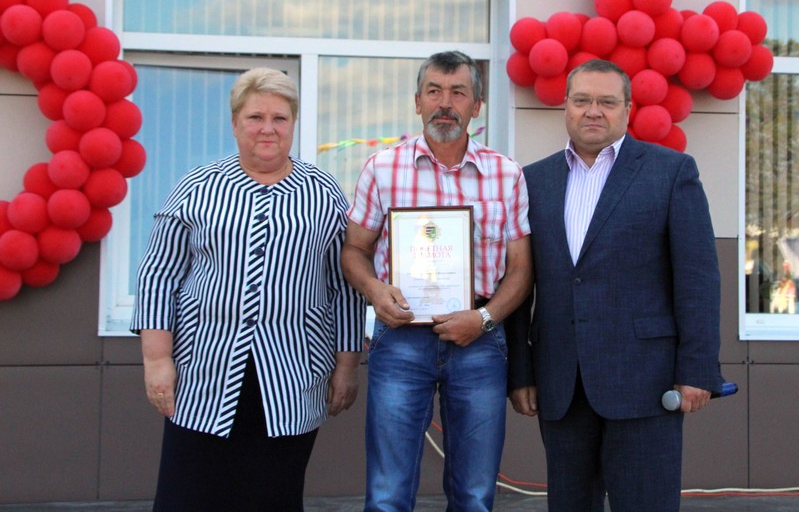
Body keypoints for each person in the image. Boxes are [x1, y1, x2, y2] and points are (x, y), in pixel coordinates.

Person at [131, 68, 365, 511]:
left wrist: (347, 365)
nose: (267, 128)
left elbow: (346, 284)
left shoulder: (325, 193)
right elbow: (159, 274)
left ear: (293, 124)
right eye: (256, 117)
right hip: (203, 375)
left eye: (280, 118)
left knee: (272, 497)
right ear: (235, 123)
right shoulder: (196, 187)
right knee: (187, 498)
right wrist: (157, 360)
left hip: (292, 376)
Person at [506, 59, 723, 512]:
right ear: (566, 106)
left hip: (645, 381)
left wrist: (697, 369)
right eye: (582, 100)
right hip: (561, 382)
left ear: (628, 109)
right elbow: (519, 281)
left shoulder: (671, 172)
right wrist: (521, 372)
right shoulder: (532, 180)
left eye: (606, 101)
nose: (593, 111)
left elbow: (698, 279)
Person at [341, 50, 532, 511]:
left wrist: (484, 319)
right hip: (400, 335)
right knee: (387, 493)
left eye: (458, 92)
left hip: (479, 339)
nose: (445, 103)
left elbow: (521, 268)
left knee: (474, 495)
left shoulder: (506, 174)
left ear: (477, 106)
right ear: (417, 102)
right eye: (434, 91)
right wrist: (374, 290)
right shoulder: (382, 168)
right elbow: (354, 251)